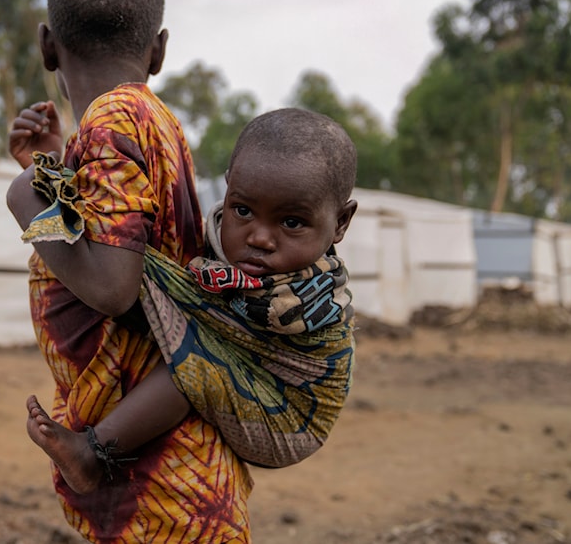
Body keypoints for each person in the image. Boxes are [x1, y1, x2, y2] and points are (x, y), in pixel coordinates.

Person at [5, 0, 252, 543]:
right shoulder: (149, 121)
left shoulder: (112, 121)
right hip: (167, 470)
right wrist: (48, 168)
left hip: (162, 481)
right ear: (159, 50)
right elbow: (114, 233)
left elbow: (114, 287)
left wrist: (26, 202)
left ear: (46, 46)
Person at [23, 108, 358, 491]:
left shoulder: (311, 292)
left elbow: (188, 304)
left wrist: (118, 257)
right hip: (245, 379)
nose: (259, 238)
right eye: (243, 210)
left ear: (341, 222)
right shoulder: (219, 234)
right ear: (230, 190)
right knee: (165, 306)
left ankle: (92, 455)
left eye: (292, 222)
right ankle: (57, 192)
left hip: (289, 417)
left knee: (191, 359)